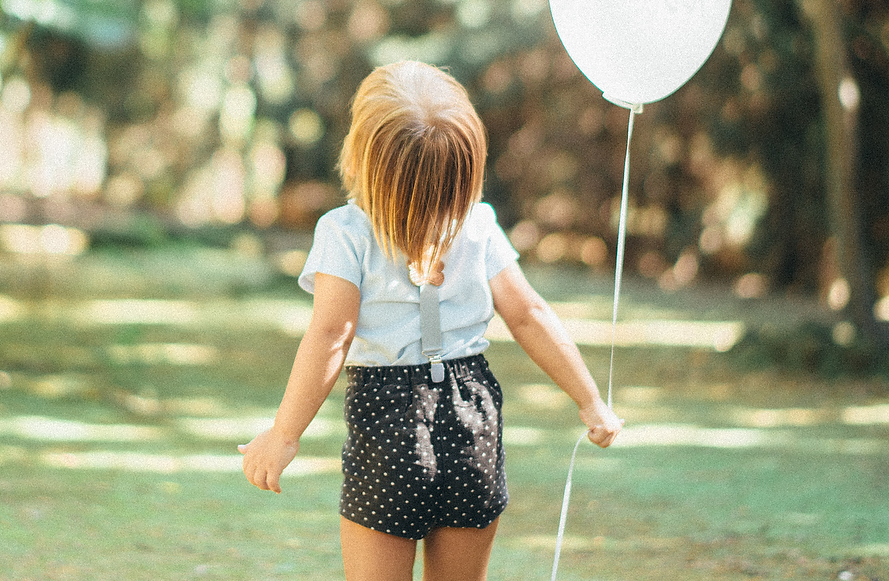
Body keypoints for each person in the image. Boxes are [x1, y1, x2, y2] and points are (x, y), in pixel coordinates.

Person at [239, 60, 623, 581]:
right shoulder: (478, 224)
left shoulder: (346, 232)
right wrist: (590, 401)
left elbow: (332, 334)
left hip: (387, 414)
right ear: (465, 164)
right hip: (472, 413)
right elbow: (529, 315)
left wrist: (284, 435)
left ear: (363, 156)